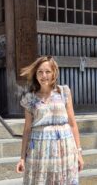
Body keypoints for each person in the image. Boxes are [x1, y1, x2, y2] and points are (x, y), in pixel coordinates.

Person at [16, 56, 84, 184]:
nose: (44, 75)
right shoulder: (30, 99)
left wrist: (79, 152)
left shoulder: (64, 92)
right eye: (40, 72)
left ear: (54, 73)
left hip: (65, 148)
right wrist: (22, 158)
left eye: (47, 71)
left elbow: (72, 124)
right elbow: (26, 130)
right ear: (36, 75)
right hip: (40, 150)